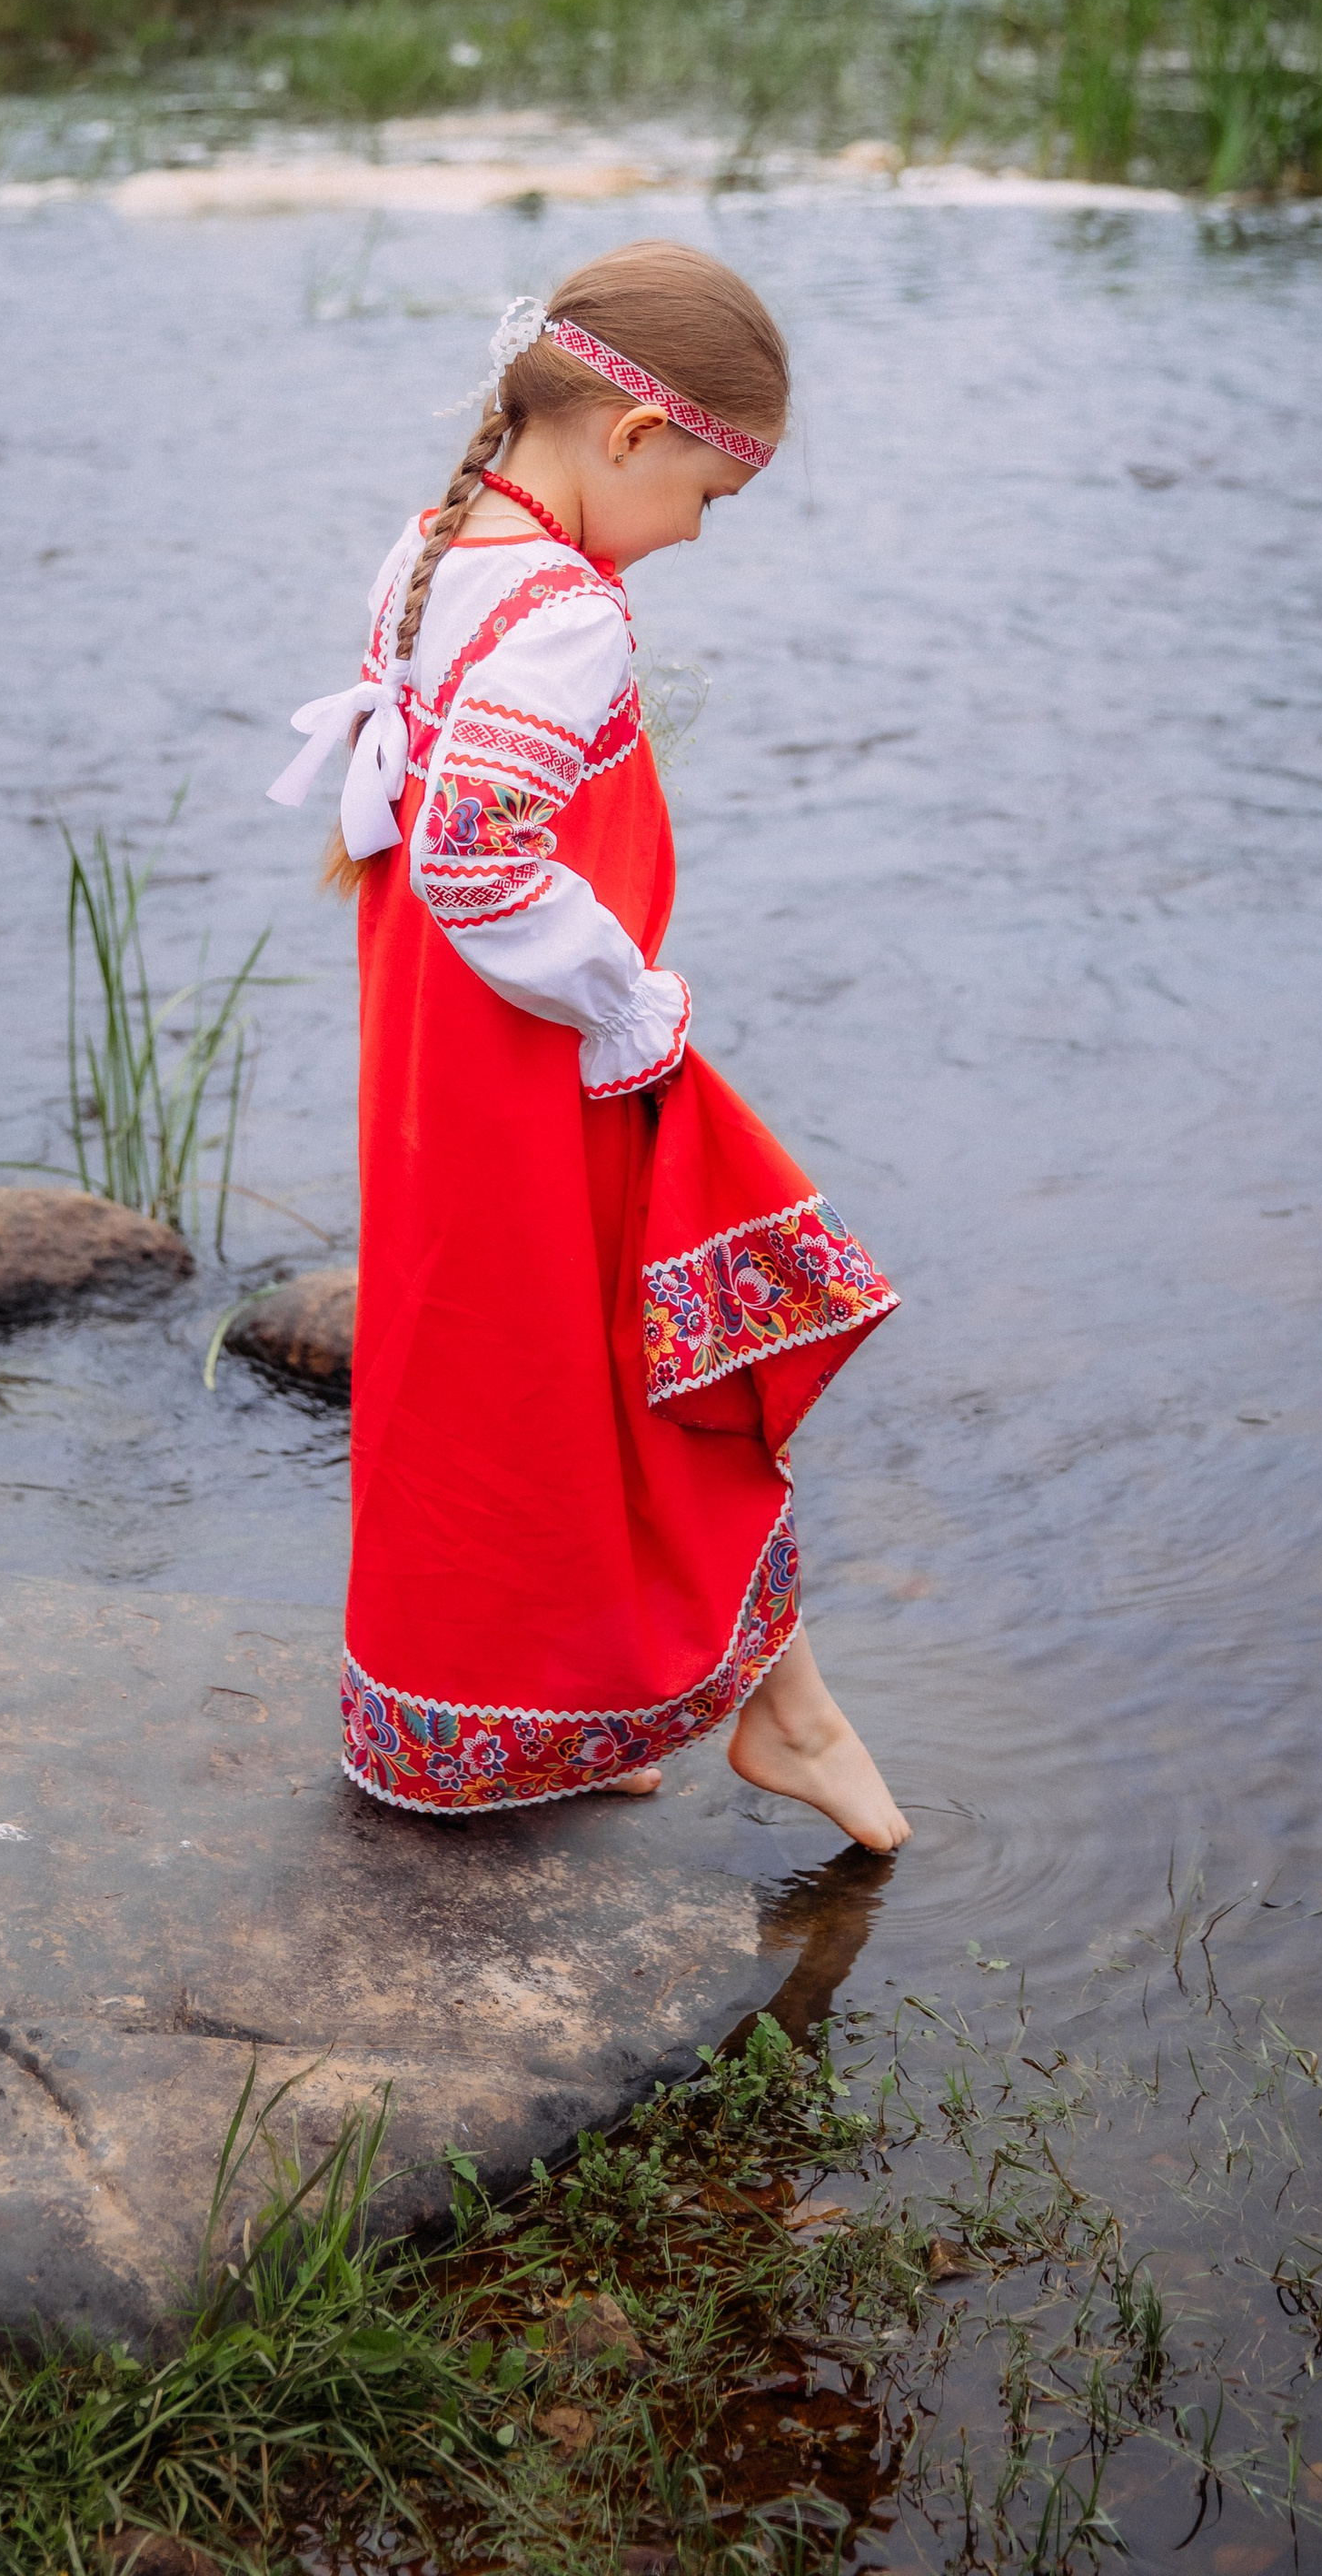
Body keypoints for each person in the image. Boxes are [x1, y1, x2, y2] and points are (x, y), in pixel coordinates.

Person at [270, 241, 909, 1853]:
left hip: (443, 1060)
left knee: (508, 1377)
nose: (697, 533)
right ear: (631, 439)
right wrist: (630, 1007)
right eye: (709, 494)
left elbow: (438, 837)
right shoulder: (570, 613)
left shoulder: (435, 545)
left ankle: (576, 1713)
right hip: (541, 1065)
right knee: (653, 1370)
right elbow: (483, 853)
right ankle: (785, 1715)